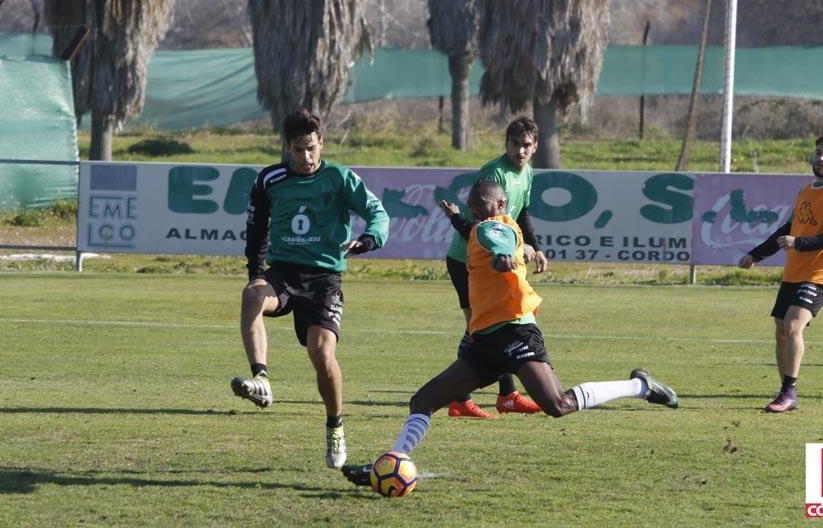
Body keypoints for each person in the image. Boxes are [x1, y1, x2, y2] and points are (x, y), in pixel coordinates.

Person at [341, 181, 677, 487]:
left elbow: (498, 239)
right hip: (485, 339)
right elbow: (478, 230)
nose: (477, 210)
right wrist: (460, 219)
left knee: (558, 404)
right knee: (423, 401)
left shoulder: (501, 228)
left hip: (516, 329)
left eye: (482, 205)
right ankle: (391, 463)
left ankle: (641, 386)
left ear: (501, 205)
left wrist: (505, 257)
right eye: (472, 206)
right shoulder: (480, 228)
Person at [230, 109, 389, 469]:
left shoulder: (340, 178)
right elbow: (256, 231)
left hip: (324, 279)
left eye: (312, 149)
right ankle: (262, 379)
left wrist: (369, 239)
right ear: (286, 147)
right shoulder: (269, 180)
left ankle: (335, 424)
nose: (306, 157)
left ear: (322, 144)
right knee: (252, 295)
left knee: (321, 354)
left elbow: (378, 213)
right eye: (298, 150)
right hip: (284, 273)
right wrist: (256, 273)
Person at [738, 134, 823, 413]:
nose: (820, 158)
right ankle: (785, 393)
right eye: (817, 152)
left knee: (793, 326)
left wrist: (798, 244)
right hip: (795, 271)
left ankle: (788, 392)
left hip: (822, 272)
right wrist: (756, 253)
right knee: (781, 331)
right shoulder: (805, 191)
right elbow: (786, 231)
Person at [443, 116, 549, 419]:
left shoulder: (527, 172)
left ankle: (506, 396)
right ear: (507, 144)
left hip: (495, 264)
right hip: (467, 261)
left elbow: (522, 213)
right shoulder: (494, 173)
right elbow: (477, 227)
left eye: (526, 145)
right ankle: (463, 398)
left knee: (496, 324)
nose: (521, 151)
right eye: (515, 144)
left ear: (535, 147)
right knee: (479, 327)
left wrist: (535, 246)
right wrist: (516, 247)